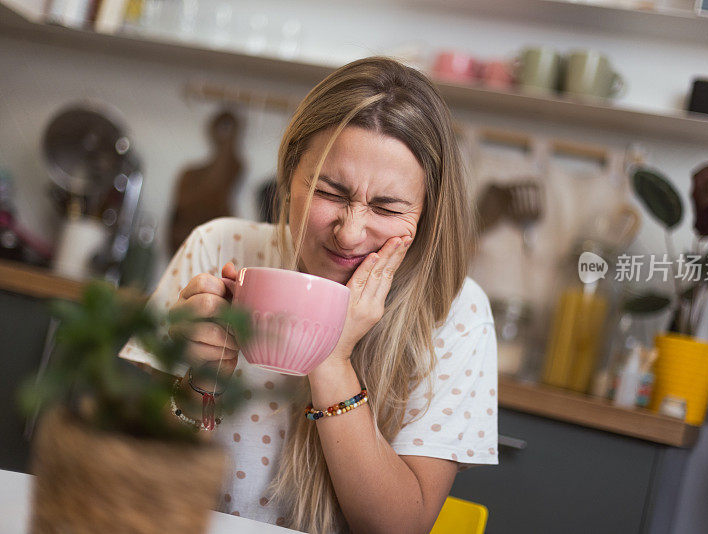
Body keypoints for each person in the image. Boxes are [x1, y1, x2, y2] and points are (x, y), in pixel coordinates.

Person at [119, 56, 498, 534]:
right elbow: (142, 481)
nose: (349, 232)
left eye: (386, 206)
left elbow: (400, 528)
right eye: (331, 192)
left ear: (427, 214)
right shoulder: (217, 247)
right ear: (289, 173)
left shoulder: (456, 312)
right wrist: (198, 379)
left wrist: (332, 358)